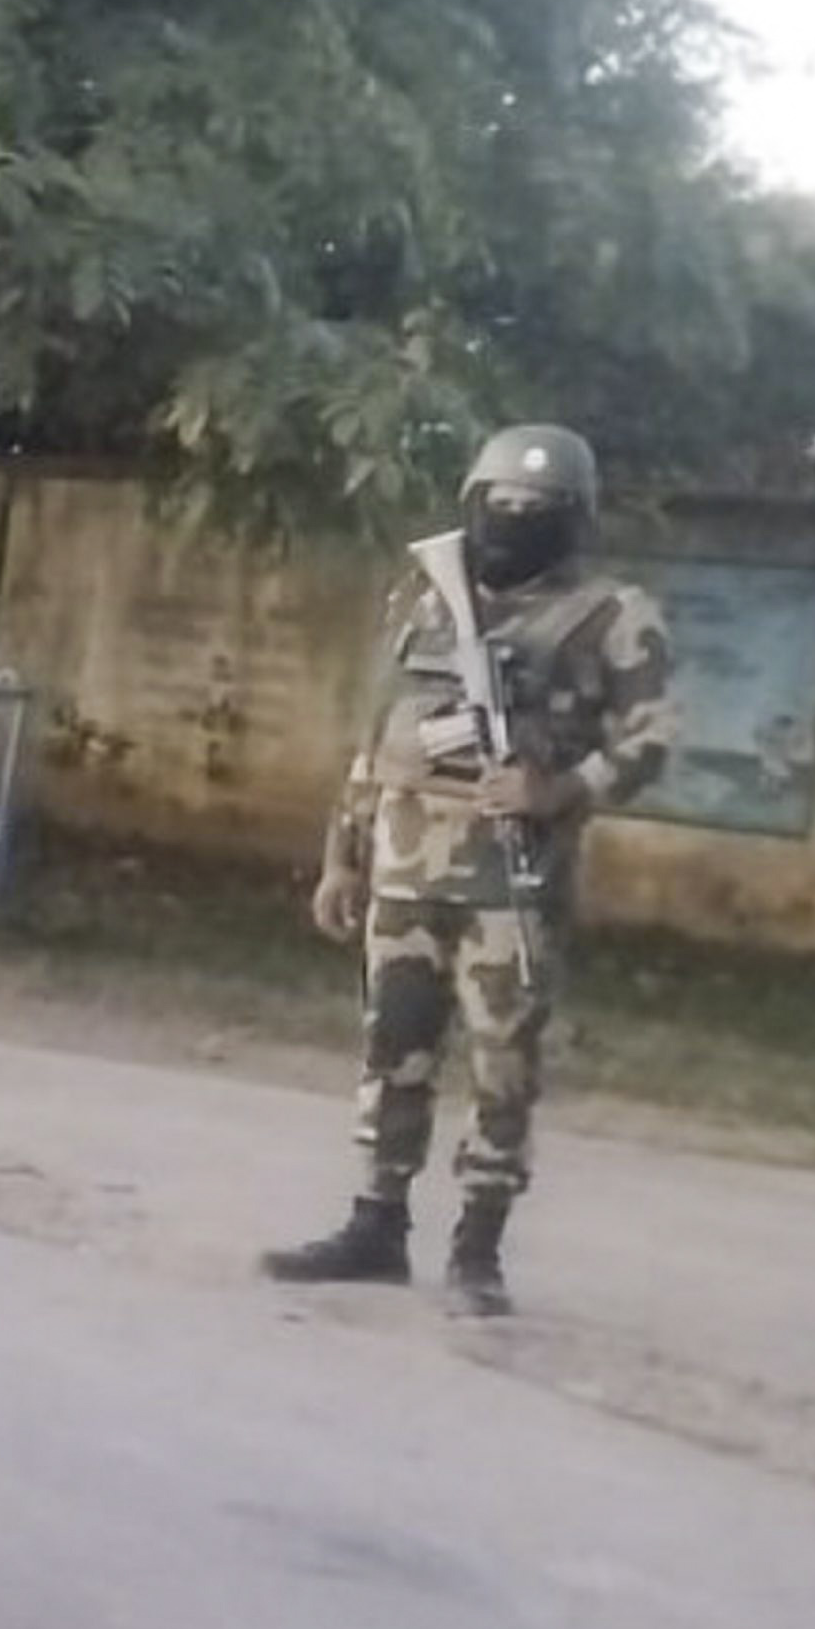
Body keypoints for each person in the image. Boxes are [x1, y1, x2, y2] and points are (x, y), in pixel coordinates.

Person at [262, 422, 673, 1317]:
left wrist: (561, 785)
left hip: (511, 888)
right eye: (502, 504)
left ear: (575, 519)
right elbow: (380, 740)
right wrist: (343, 857)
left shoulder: (615, 615)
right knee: (391, 1052)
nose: (516, 518)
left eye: (538, 508)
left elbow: (653, 742)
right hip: (405, 873)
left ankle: (476, 1250)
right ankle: (376, 1225)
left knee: (502, 1067)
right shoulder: (432, 604)